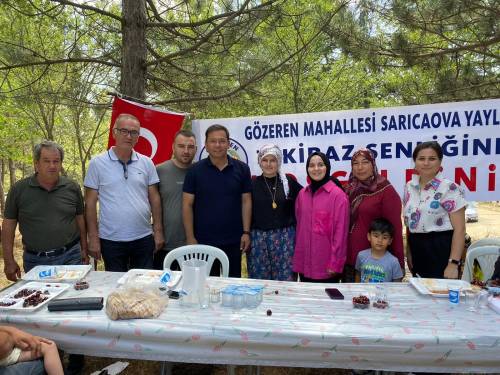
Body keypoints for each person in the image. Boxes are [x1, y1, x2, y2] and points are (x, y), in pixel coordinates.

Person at [84, 113, 164, 272]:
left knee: (143, 285)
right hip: (111, 240)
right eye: (124, 131)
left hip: (143, 237)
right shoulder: (97, 163)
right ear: (114, 132)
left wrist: (158, 231)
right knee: (116, 287)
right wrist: (93, 238)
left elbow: (155, 199)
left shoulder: (147, 163)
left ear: (138, 136)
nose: (129, 136)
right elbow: (90, 203)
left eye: (134, 132)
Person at [2, 140, 88, 279]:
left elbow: (80, 219)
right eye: (46, 161)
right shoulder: (19, 190)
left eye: (56, 161)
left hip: (71, 256)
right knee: (40, 299)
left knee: (73, 298)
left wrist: (84, 249)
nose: (52, 166)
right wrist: (8, 260)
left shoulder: (72, 187)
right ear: (36, 164)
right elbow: (8, 226)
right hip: (36, 261)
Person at [183, 124, 252, 277]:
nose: (218, 145)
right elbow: (187, 205)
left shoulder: (242, 169)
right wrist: (190, 237)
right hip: (203, 240)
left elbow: (246, 201)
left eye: (222, 141)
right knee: (207, 285)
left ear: (228, 143)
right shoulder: (194, 171)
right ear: (206, 145)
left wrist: (246, 232)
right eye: (213, 141)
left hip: (234, 239)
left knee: (233, 283)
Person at [403, 141, 466, 279]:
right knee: (420, 293)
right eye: (421, 159)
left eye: (432, 158)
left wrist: (453, 264)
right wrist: (409, 252)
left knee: (441, 295)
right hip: (417, 248)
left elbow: (460, 229)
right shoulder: (409, 187)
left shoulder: (450, 188)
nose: (426, 163)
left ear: (440, 162)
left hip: (441, 250)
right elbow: (409, 224)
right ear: (415, 162)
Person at [344, 148, 404, 282]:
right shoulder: (348, 190)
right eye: (355, 163)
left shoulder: (385, 190)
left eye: (365, 162)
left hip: (374, 262)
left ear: (373, 164)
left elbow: (395, 228)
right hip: (348, 259)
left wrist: (399, 263)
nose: (360, 167)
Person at [248, 144, 302, 281]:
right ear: (260, 162)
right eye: (265, 160)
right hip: (258, 240)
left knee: (285, 280)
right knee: (260, 280)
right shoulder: (252, 184)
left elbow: (307, 197)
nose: (269, 164)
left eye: (273, 160)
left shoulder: (288, 182)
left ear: (279, 161)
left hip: (285, 239)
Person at [293, 152, 349, 282]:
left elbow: (341, 234)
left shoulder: (338, 196)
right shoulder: (302, 194)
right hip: (304, 265)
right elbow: (299, 228)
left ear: (327, 167)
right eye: (311, 165)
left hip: (326, 267)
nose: (316, 169)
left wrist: (335, 263)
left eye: (320, 165)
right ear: (307, 169)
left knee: (327, 301)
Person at [154, 129, 197, 270]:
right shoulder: (158, 171)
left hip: (196, 245)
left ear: (196, 149)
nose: (186, 151)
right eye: (181, 146)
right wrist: (157, 232)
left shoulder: (201, 171)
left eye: (190, 147)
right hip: (166, 244)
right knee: (165, 289)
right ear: (173, 147)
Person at [355, 218, 403, 283]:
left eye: (385, 237)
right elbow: (358, 274)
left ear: (390, 241)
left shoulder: (393, 262)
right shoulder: (361, 256)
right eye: (376, 236)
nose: (380, 240)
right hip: (364, 293)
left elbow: (397, 284)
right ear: (369, 236)